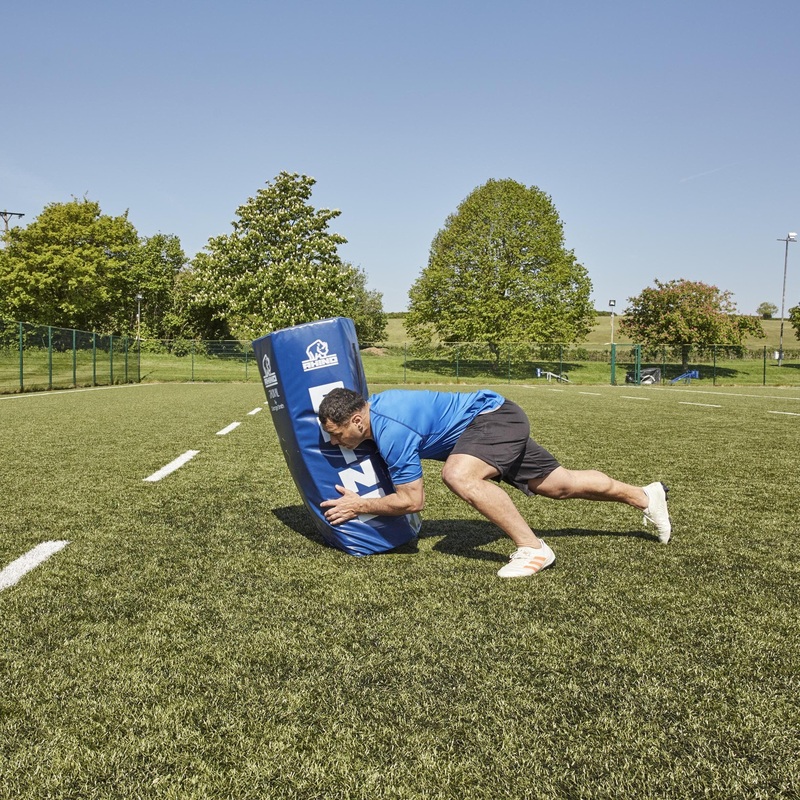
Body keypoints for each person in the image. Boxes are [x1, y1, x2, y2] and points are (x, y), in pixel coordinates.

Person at [317, 387, 671, 578]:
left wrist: (360, 504)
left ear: (358, 420)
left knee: (459, 475)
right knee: (559, 485)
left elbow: (412, 501)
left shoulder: (391, 429)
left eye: (337, 433)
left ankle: (533, 549)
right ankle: (644, 496)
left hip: (492, 420)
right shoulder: (375, 414)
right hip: (489, 424)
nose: (333, 442)